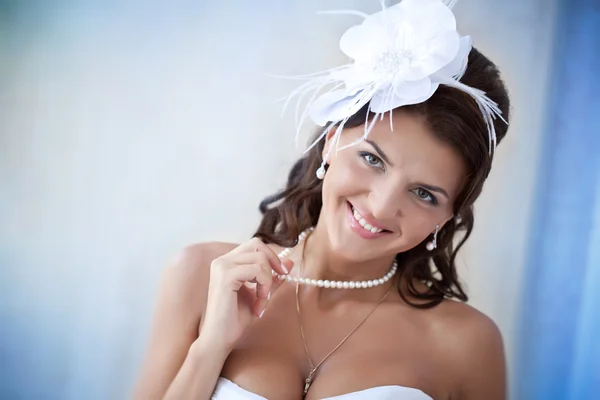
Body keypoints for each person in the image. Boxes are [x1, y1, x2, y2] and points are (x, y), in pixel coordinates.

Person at [132, 0, 511, 399]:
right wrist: (209, 348)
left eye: (423, 193)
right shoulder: (202, 277)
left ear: (449, 215)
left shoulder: (467, 343)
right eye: (372, 159)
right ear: (331, 142)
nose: (380, 206)